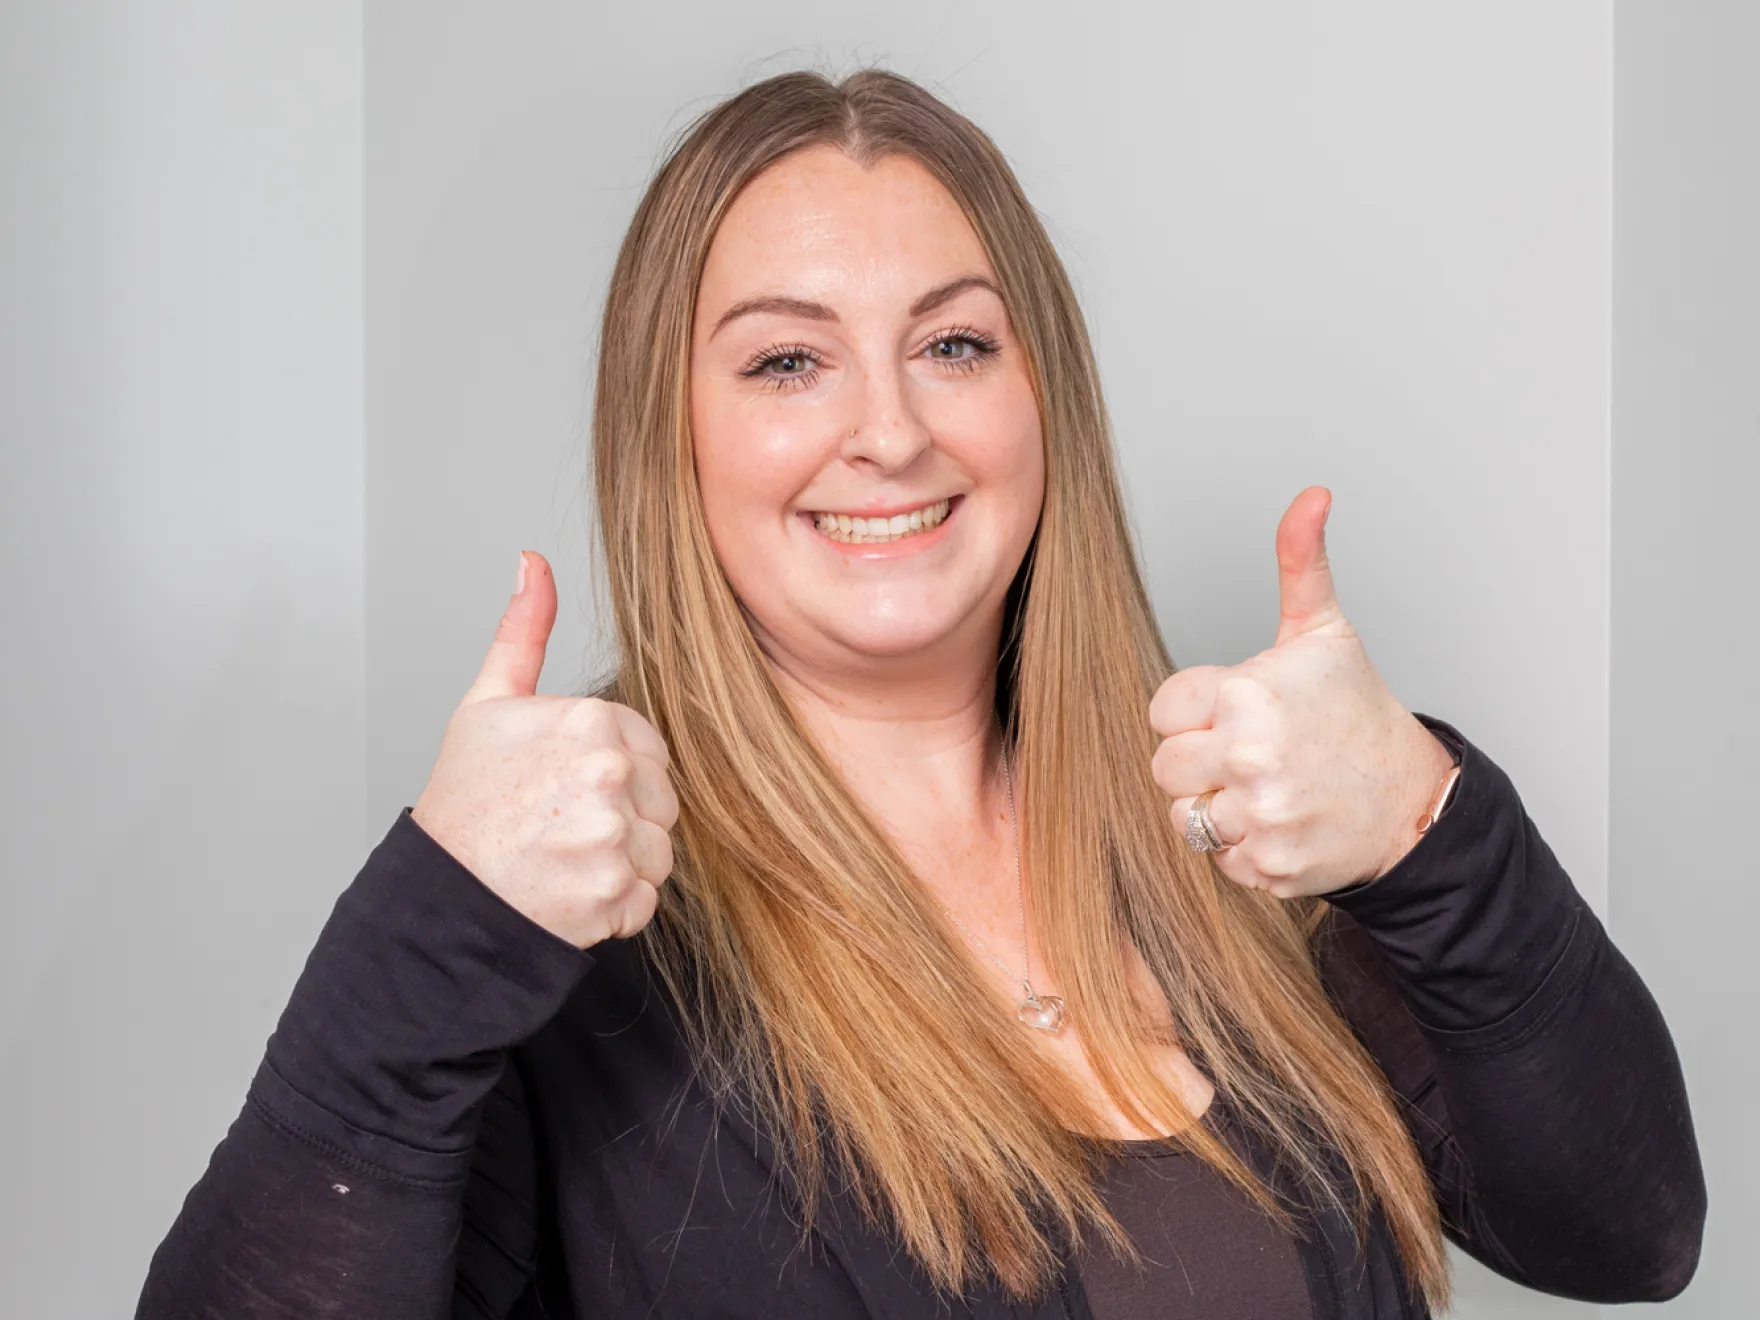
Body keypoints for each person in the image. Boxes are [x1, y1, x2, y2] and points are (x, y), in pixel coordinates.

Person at [134, 68, 1705, 1319]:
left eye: (954, 344)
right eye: (785, 363)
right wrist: (428, 932)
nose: (888, 431)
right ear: (667, 437)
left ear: (1044, 399)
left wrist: (1433, 832)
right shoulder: (559, 955)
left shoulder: (1250, 827)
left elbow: (1626, 1238)